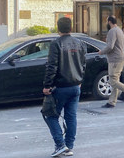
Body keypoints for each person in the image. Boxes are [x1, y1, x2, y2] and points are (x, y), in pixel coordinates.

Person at [42, 17, 86, 157]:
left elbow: (52, 66)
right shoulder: (79, 43)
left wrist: (47, 85)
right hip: (75, 86)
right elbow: (83, 64)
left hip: (60, 86)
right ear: (71, 28)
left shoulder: (56, 44)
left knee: (50, 115)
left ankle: (60, 145)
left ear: (58, 28)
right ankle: (69, 147)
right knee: (71, 117)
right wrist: (80, 80)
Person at [98, 15, 124, 108]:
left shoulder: (112, 31)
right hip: (119, 58)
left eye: (106, 21)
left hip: (115, 59)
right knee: (115, 80)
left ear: (109, 22)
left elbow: (110, 46)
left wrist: (101, 52)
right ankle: (112, 102)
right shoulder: (119, 30)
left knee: (113, 81)